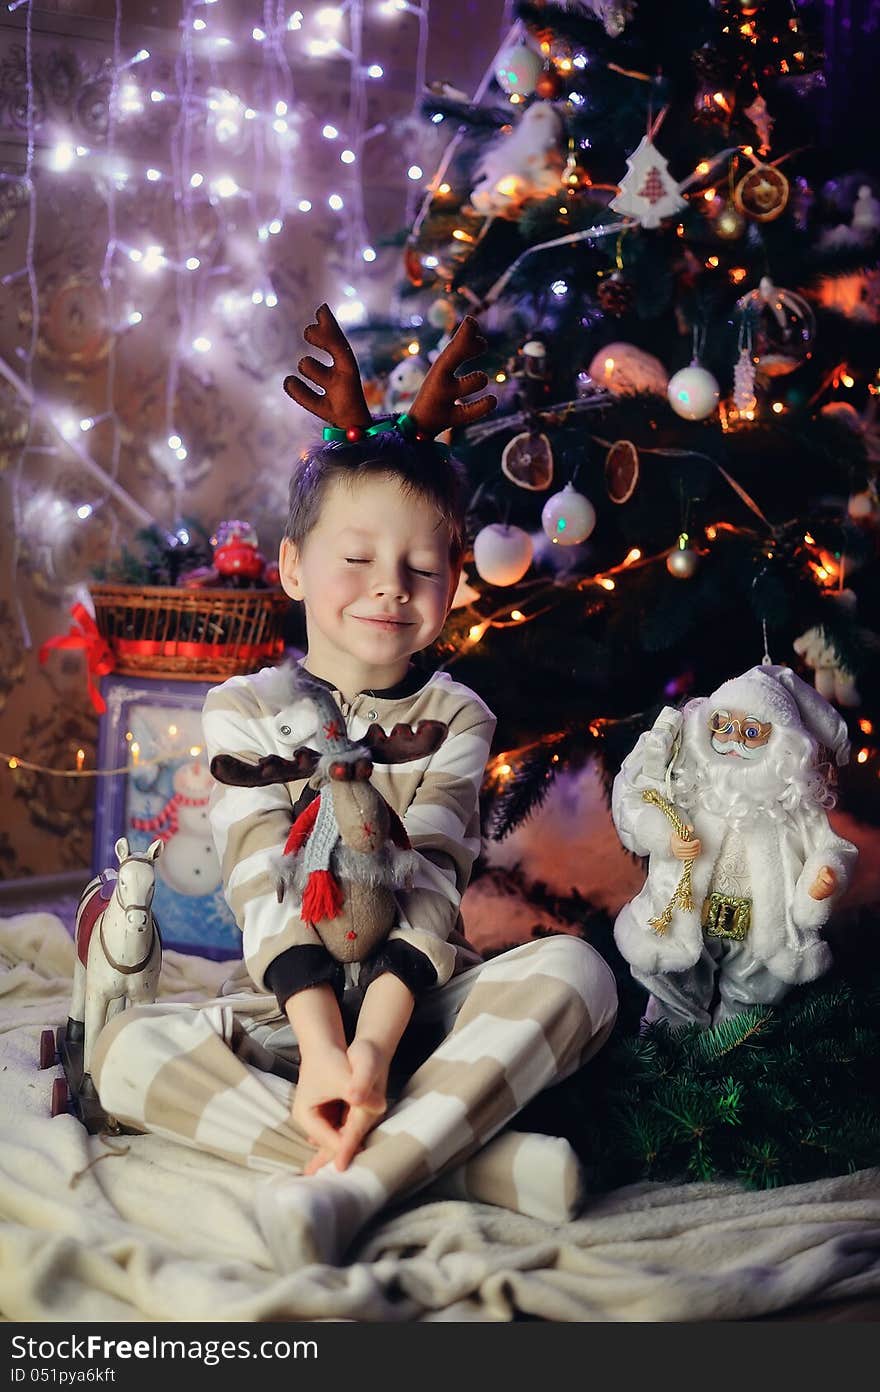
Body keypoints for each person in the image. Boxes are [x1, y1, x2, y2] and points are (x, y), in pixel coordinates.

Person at [91, 306, 617, 1268]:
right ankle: (464, 1168)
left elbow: (428, 887)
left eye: (423, 567)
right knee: (123, 1055)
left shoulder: (459, 717)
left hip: (415, 1013)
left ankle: (353, 1182)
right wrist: (325, 1055)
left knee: (579, 976)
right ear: (292, 568)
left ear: (456, 584)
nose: (390, 588)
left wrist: (370, 1054)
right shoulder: (242, 707)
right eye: (358, 560)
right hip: (287, 1014)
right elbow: (259, 886)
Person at [611, 663, 858, 1031]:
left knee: (753, 993)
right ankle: (668, 1043)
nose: (733, 740)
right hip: (686, 910)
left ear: (781, 742)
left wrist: (822, 880)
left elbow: (832, 848)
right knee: (674, 983)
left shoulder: (793, 801)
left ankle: (732, 1048)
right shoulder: (689, 780)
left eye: (752, 731)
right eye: (722, 724)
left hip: (761, 920)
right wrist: (663, 835)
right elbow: (635, 798)